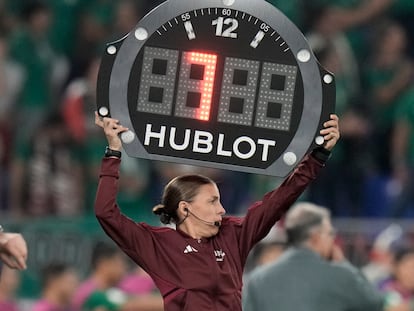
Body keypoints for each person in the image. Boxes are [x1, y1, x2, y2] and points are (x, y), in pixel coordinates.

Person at [94, 112, 340, 311]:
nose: (222, 209)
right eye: (212, 201)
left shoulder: (234, 235)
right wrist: (113, 152)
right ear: (185, 207)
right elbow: (106, 213)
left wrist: (318, 156)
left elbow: (279, 200)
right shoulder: (158, 245)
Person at [242, 202, 405, 311]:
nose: (333, 239)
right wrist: (343, 264)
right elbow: (385, 304)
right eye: (330, 233)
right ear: (316, 237)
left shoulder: (258, 278)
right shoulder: (340, 275)